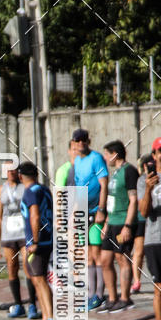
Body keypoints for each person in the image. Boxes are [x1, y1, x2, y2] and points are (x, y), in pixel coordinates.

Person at [96, 140, 138, 314]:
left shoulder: (129, 171)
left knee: (122, 259)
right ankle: (112, 298)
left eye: (107, 154)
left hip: (122, 222)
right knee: (105, 260)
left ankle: (125, 299)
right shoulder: (115, 173)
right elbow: (111, 201)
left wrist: (128, 225)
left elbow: (133, 200)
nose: (105, 158)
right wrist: (106, 224)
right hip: (112, 221)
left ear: (115, 154)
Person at [0, 166, 39, 319]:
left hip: (23, 233)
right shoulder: (1, 190)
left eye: (13, 169)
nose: (11, 172)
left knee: (28, 266)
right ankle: (18, 304)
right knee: (12, 268)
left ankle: (32, 304)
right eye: (8, 170)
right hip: (8, 235)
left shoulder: (24, 187)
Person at [71, 129, 108, 310]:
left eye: (83, 140)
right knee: (86, 256)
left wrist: (101, 209)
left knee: (96, 254)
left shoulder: (96, 158)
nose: (81, 143)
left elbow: (104, 184)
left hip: (95, 211)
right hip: (82, 212)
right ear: (74, 143)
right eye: (77, 140)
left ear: (88, 141)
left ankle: (99, 294)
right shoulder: (77, 161)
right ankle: (90, 293)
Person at [18, 161, 54, 320]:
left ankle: (50, 317)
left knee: (40, 279)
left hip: (39, 242)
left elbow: (34, 215)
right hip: (48, 238)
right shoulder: (44, 189)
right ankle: (46, 316)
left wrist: (34, 241)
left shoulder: (30, 192)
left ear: (20, 176)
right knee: (38, 279)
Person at [137, 138, 161, 320]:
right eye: (159, 151)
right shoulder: (144, 180)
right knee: (159, 288)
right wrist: (148, 189)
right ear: (154, 155)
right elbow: (144, 212)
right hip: (154, 239)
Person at [131, 155, 148, 294]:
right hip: (141, 219)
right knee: (139, 251)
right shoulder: (140, 180)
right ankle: (136, 281)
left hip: (155, 219)